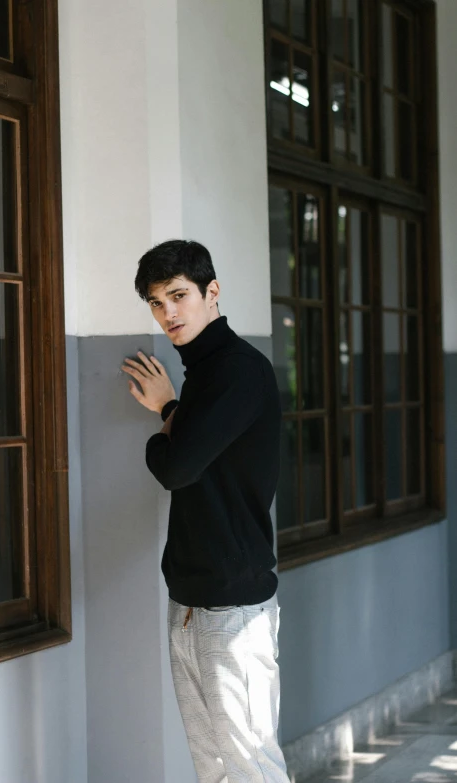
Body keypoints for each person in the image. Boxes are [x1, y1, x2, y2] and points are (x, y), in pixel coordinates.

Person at [121, 239, 291, 782]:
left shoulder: (239, 371)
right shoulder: (202, 378)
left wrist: (162, 431)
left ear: (211, 292)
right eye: (155, 302)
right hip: (191, 602)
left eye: (178, 295)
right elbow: (203, 453)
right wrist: (172, 408)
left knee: (251, 767)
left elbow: (176, 467)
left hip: (234, 608)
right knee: (213, 769)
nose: (167, 312)